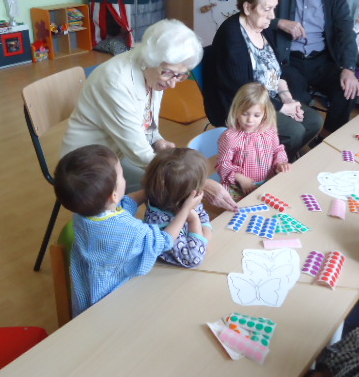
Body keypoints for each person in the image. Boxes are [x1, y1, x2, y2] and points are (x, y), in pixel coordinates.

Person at [61, 19, 238, 212]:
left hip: (117, 151)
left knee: (171, 183)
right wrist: (198, 183)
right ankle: (153, 230)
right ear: (149, 60)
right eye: (168, 73)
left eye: (181, 75)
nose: (173, 84)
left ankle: (162, 227)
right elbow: (138, 152)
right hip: (86, 164)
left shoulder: (155, 72)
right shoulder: (116, 82)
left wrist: (157, 140)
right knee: (171, 187)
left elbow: (147, 121)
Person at [53, 144, 202, 316]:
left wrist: (149, 191)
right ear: (113, 195)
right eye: (122, 175)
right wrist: (185, 211)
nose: (124, 178)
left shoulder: (83, 214)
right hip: (108, 305)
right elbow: (164, 241)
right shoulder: (130, 231)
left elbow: (122, 205)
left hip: (86, 294)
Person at [204, 0, 324, 161]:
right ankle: (266, 165)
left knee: (313, 121)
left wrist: (287, 98)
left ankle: (273, 158)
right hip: (243, 106)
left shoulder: (262, 28)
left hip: (270, 98)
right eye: (267, 9)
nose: (273, 16)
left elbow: (276, 71)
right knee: (293, 132)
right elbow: (243, 91)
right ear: (247, 8)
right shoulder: (232, 37)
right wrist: (282, 107)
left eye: (274, 8)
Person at [270, 0, 359, 143]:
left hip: (322, 59)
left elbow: (345, 29)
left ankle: (325, 138)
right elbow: (259, 16)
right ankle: (296, 142)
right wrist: (280, 23)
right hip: (289, 59)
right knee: (296, 100)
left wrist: (349, 68)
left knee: (347, 91)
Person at [217, 82, 291, 200]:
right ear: (236, 111)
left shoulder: (269, 130)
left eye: (256, 115)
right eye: (245, 114)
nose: (250, 120)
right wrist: (240, 178)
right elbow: (223, 164)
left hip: (266, 182)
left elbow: (277, 150)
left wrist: (280, 163)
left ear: (265, 113)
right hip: (238, 188)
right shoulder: (230, 137)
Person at [143, 148, 212, 268]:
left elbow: (202, 214)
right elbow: (194, 259)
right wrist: (194, 220)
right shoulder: (162, 226)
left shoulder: (185, 202)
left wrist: (205, 235)